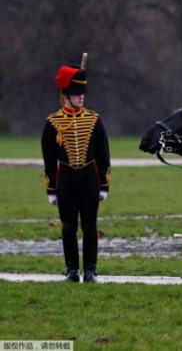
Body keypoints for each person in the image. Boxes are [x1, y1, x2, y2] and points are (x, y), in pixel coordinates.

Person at [41, 61, 111, 283]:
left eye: (82, 93)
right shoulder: (52, 123)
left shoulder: (94, 119)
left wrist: (104, 184)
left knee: (90, 226)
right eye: (75, 93)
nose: (81, 97)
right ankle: (71, 270)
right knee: (68, 226)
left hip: (89, 179)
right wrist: (51, 188)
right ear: (66, 95)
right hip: (66, 180)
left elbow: (103, 154)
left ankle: (90, 270)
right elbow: (49, 159)